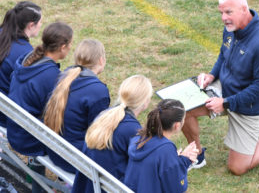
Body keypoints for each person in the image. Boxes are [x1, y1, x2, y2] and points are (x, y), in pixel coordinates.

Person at [182, 0, 259, 175]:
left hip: (251, 105)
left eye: (228, 12)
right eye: (221, 13)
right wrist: (212, 75)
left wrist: (226, 103)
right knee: (182, 108)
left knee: (237, 168)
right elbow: (223, 53)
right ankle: (196, 156)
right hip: (226, 89)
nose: (224, 18)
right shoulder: (231, 29)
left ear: (244, 10)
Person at [6, 22, 73, 193]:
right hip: (28, 140)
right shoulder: (51, 76)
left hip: (15, 129)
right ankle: (61, 186)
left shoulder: (27, 59)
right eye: (70, 45)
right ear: (63, 47)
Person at [72, 75, 153, 193]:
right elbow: (144, 169)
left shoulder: (106, 115)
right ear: (145, 102)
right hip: (107, 187)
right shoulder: (133, 130)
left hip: (87, 183)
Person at [44, 39, 110, 173]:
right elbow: (98, 136)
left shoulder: (64, 77)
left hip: (55, 150)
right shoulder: (98, 91)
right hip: (74, 160)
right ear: (101, 60)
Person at [124, 99, 199, 193]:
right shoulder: (165, 150)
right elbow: (176, 189)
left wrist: (176, 159)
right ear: (177, 125)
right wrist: (185, 161)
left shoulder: (139, 138)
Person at [0, 1, 42, 127]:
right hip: (5, 117)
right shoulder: (26, 54)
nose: (41, 25)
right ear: (31, 25)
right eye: (40, 22)